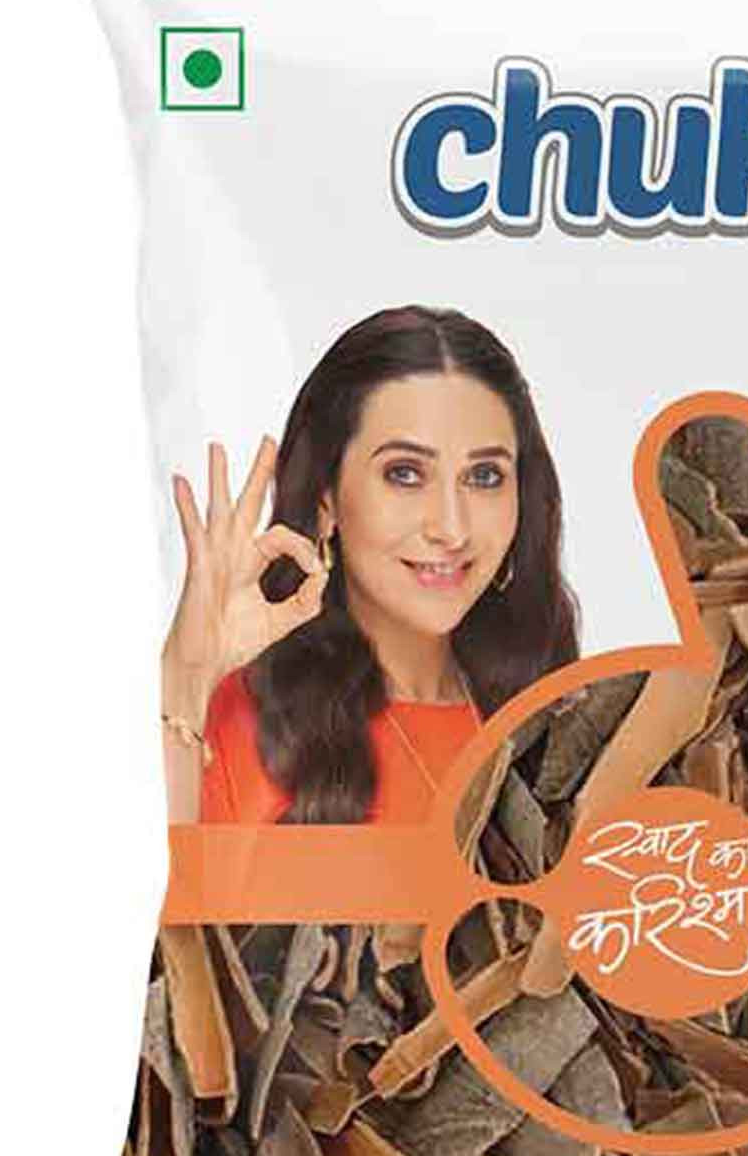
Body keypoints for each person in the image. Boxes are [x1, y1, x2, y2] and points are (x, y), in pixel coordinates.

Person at [159, 305, 579, 824]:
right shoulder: (230, 722)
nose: (451, 529)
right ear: (326, 498)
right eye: (405, 473)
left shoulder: (557, 730)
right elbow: (138, 868)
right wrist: (185, 677)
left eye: (485, 476)